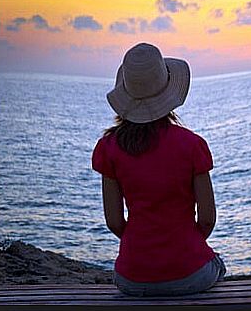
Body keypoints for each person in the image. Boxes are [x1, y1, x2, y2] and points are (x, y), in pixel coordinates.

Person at [91, 42, 226, 296]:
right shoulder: (192, 145)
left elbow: (114, 221)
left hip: (131, 278)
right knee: (218, 265)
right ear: (168, 92)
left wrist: (144, 249)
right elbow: (207, 218)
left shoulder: (108, 148)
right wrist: (186, 247)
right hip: (190, 273)